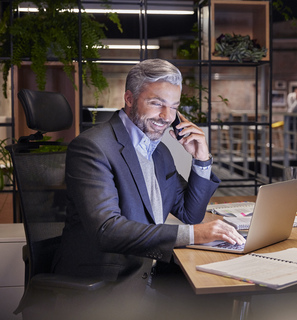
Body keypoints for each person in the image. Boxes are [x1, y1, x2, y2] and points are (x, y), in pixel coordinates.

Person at [49, 59, 245, 319]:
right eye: (157, 103)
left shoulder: (160, 151)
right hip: (107, 284)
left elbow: (190, 214)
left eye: (174, 107)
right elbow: (107, 230)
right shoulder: (93, 148)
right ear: (129, 98)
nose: (167, 117)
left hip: (151, 271)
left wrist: (201, 159)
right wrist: (194, 235)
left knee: (222, 297)